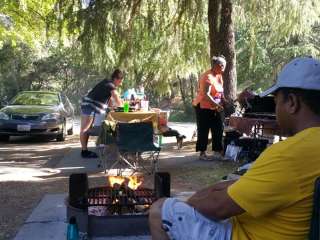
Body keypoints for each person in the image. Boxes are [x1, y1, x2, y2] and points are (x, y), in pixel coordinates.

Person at [149, 57, 320, 240]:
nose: (275, 109)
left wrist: (188, 203)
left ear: (292, 102)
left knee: (160, 210)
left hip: (245, 235)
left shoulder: (289, 154)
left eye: (276, 101)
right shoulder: (306, 150)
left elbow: (218, 207)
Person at [80, 69, 123, 158]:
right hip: (89, 105)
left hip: (88, 104)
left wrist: (113, 107)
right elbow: (116, 97)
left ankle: (85, 150)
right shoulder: (110, 84)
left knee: (87, 128)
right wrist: (122, 106)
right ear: (117, 79)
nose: (120, 84)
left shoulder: (107, 83)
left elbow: (110, 99)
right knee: (85, 129)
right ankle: (84, 152)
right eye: (120, 81)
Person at [192, 55, 226, 161]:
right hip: (203, 106)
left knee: (218, 128)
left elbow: (220, 90)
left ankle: (218, 151)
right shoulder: (207, 76)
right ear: (218, 66)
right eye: (223, 66)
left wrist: (224, 100)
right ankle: (202, 153)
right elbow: (206, 94)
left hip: (215, 105)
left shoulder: (219, 75)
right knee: (204, 129)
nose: (224, 68)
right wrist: (217, 105)